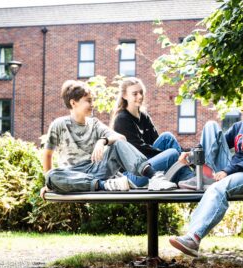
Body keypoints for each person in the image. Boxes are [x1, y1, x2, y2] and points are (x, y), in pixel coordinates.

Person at [169, 87, 243, 257]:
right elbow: (215, 145)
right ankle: (201, 172)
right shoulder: (239, 127)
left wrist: (228, 171)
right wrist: (192, 154)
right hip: (230, 168)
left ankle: (194, 237)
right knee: (211, 125)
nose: (241, 108)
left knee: (218, 188)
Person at [39, 80, 177, 199]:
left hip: (96, 169)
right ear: (73, 103)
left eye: (92, 100)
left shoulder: (94, 123)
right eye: (88, 101)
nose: (92, 104)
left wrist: (103, 141)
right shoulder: (59, 125)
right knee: (51, 176)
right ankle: (105, 185)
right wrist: (48, 185)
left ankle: (154, 177)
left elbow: (121, 138)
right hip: (74, 176)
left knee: (117, 144)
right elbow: (48, 155)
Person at [111, 77, 194, 187]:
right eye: (135, 94)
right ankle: (188, 178)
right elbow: (139, 150)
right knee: (173, 153)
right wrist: (169, 155)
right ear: (125, 96)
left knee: (167, 137)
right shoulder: (122, 119)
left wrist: (181, 153)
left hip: (148, 163)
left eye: (141, 92)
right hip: (134, 173)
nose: (140, 96)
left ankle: (187, 176)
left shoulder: (144, 116)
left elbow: (155, 142)